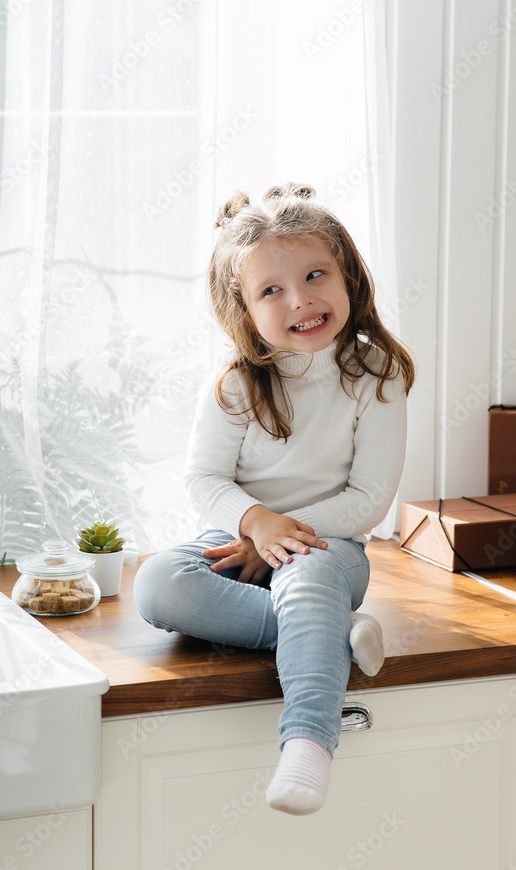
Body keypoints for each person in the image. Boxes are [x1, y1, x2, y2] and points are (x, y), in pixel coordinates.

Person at [134, 182, 415, 816]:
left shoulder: (379, 377)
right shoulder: (236, 384)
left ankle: (310, 744)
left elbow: (368, 500)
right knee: (158, 584)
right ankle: (333, 637)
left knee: (307, 581)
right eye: (272, 290)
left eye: (316, 274)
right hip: (241, 538)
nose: (301, 299)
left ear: (348, 277)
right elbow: (202, 480)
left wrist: (280, 538)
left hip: (330, 545)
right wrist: (256, 524)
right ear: (245, 309)